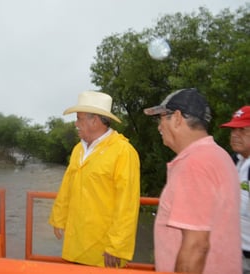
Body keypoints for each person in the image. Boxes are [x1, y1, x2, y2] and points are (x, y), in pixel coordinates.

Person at [144, 88, 241, 274]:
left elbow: (196, 247)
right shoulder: (218, 156)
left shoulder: (194, 165)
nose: (159, 127)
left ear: (177, 117)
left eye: (161, 118)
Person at [48, 90, 140, 268]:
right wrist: (59, 218)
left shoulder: (123, 152)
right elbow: (67, 186)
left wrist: (117, 246)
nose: (76, 123)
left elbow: (127, 203)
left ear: (95, 120)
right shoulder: (78, 150)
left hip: (104, 248)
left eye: (79, 118)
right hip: (76, 240)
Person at [220, 105, 250, 274]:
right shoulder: (232, 162)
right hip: (231, 254)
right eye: (233, 130)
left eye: (242, 130)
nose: (235, 135)